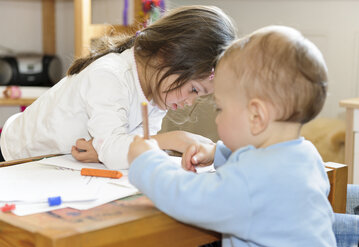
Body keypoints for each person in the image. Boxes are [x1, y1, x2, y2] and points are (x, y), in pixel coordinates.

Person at [127, 25, 337, 247]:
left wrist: (147, 161)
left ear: (257, 116)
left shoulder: (250, 182)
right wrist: (218, 153)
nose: (217, 119)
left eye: (220, 108)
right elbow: (262, 168)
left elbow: (189, 198)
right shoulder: (307, 155)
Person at [0, 5, 237, 169]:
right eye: (194, 89)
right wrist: (174, 139)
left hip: (57, 163)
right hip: (15, 158)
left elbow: (132, 148)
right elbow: (120, 149)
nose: (190, 102)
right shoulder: (110, 76)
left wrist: (102, 149)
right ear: (168, 55)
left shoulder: (158, 90)